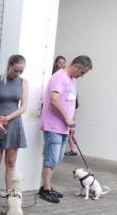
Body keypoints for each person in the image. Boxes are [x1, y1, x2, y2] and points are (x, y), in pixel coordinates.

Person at [39, 55, 93, 203]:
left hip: (64, 127)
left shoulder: (73, 80)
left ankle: (47, 186)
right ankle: (45, 190)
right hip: (53, 125)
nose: (82, 76)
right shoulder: (59, 77)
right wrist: (66, 119)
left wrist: (71, 123)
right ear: (76, 67)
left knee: (57, 158)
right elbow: (54, 101)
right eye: (82, 73)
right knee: (51, 158)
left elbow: (71, 104)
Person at [0, 54, 29, 206]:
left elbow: (23, 107)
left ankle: (10, 195)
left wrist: (7, 118)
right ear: (9, 66)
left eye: (21, 71)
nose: (18, 74)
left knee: (11, 162)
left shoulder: (23, 83)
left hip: (14, 125)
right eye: (16, 70)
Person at [53, 55, 79, 156]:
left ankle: (73, 148)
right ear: (56, 64)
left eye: (64, 63)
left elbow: (74, 95)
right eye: (60, 62)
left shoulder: (72, 79)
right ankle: (72, 148)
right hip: (57, 114)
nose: (62, 65)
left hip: (69, 108)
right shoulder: (55, 76)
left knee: (70, 130)